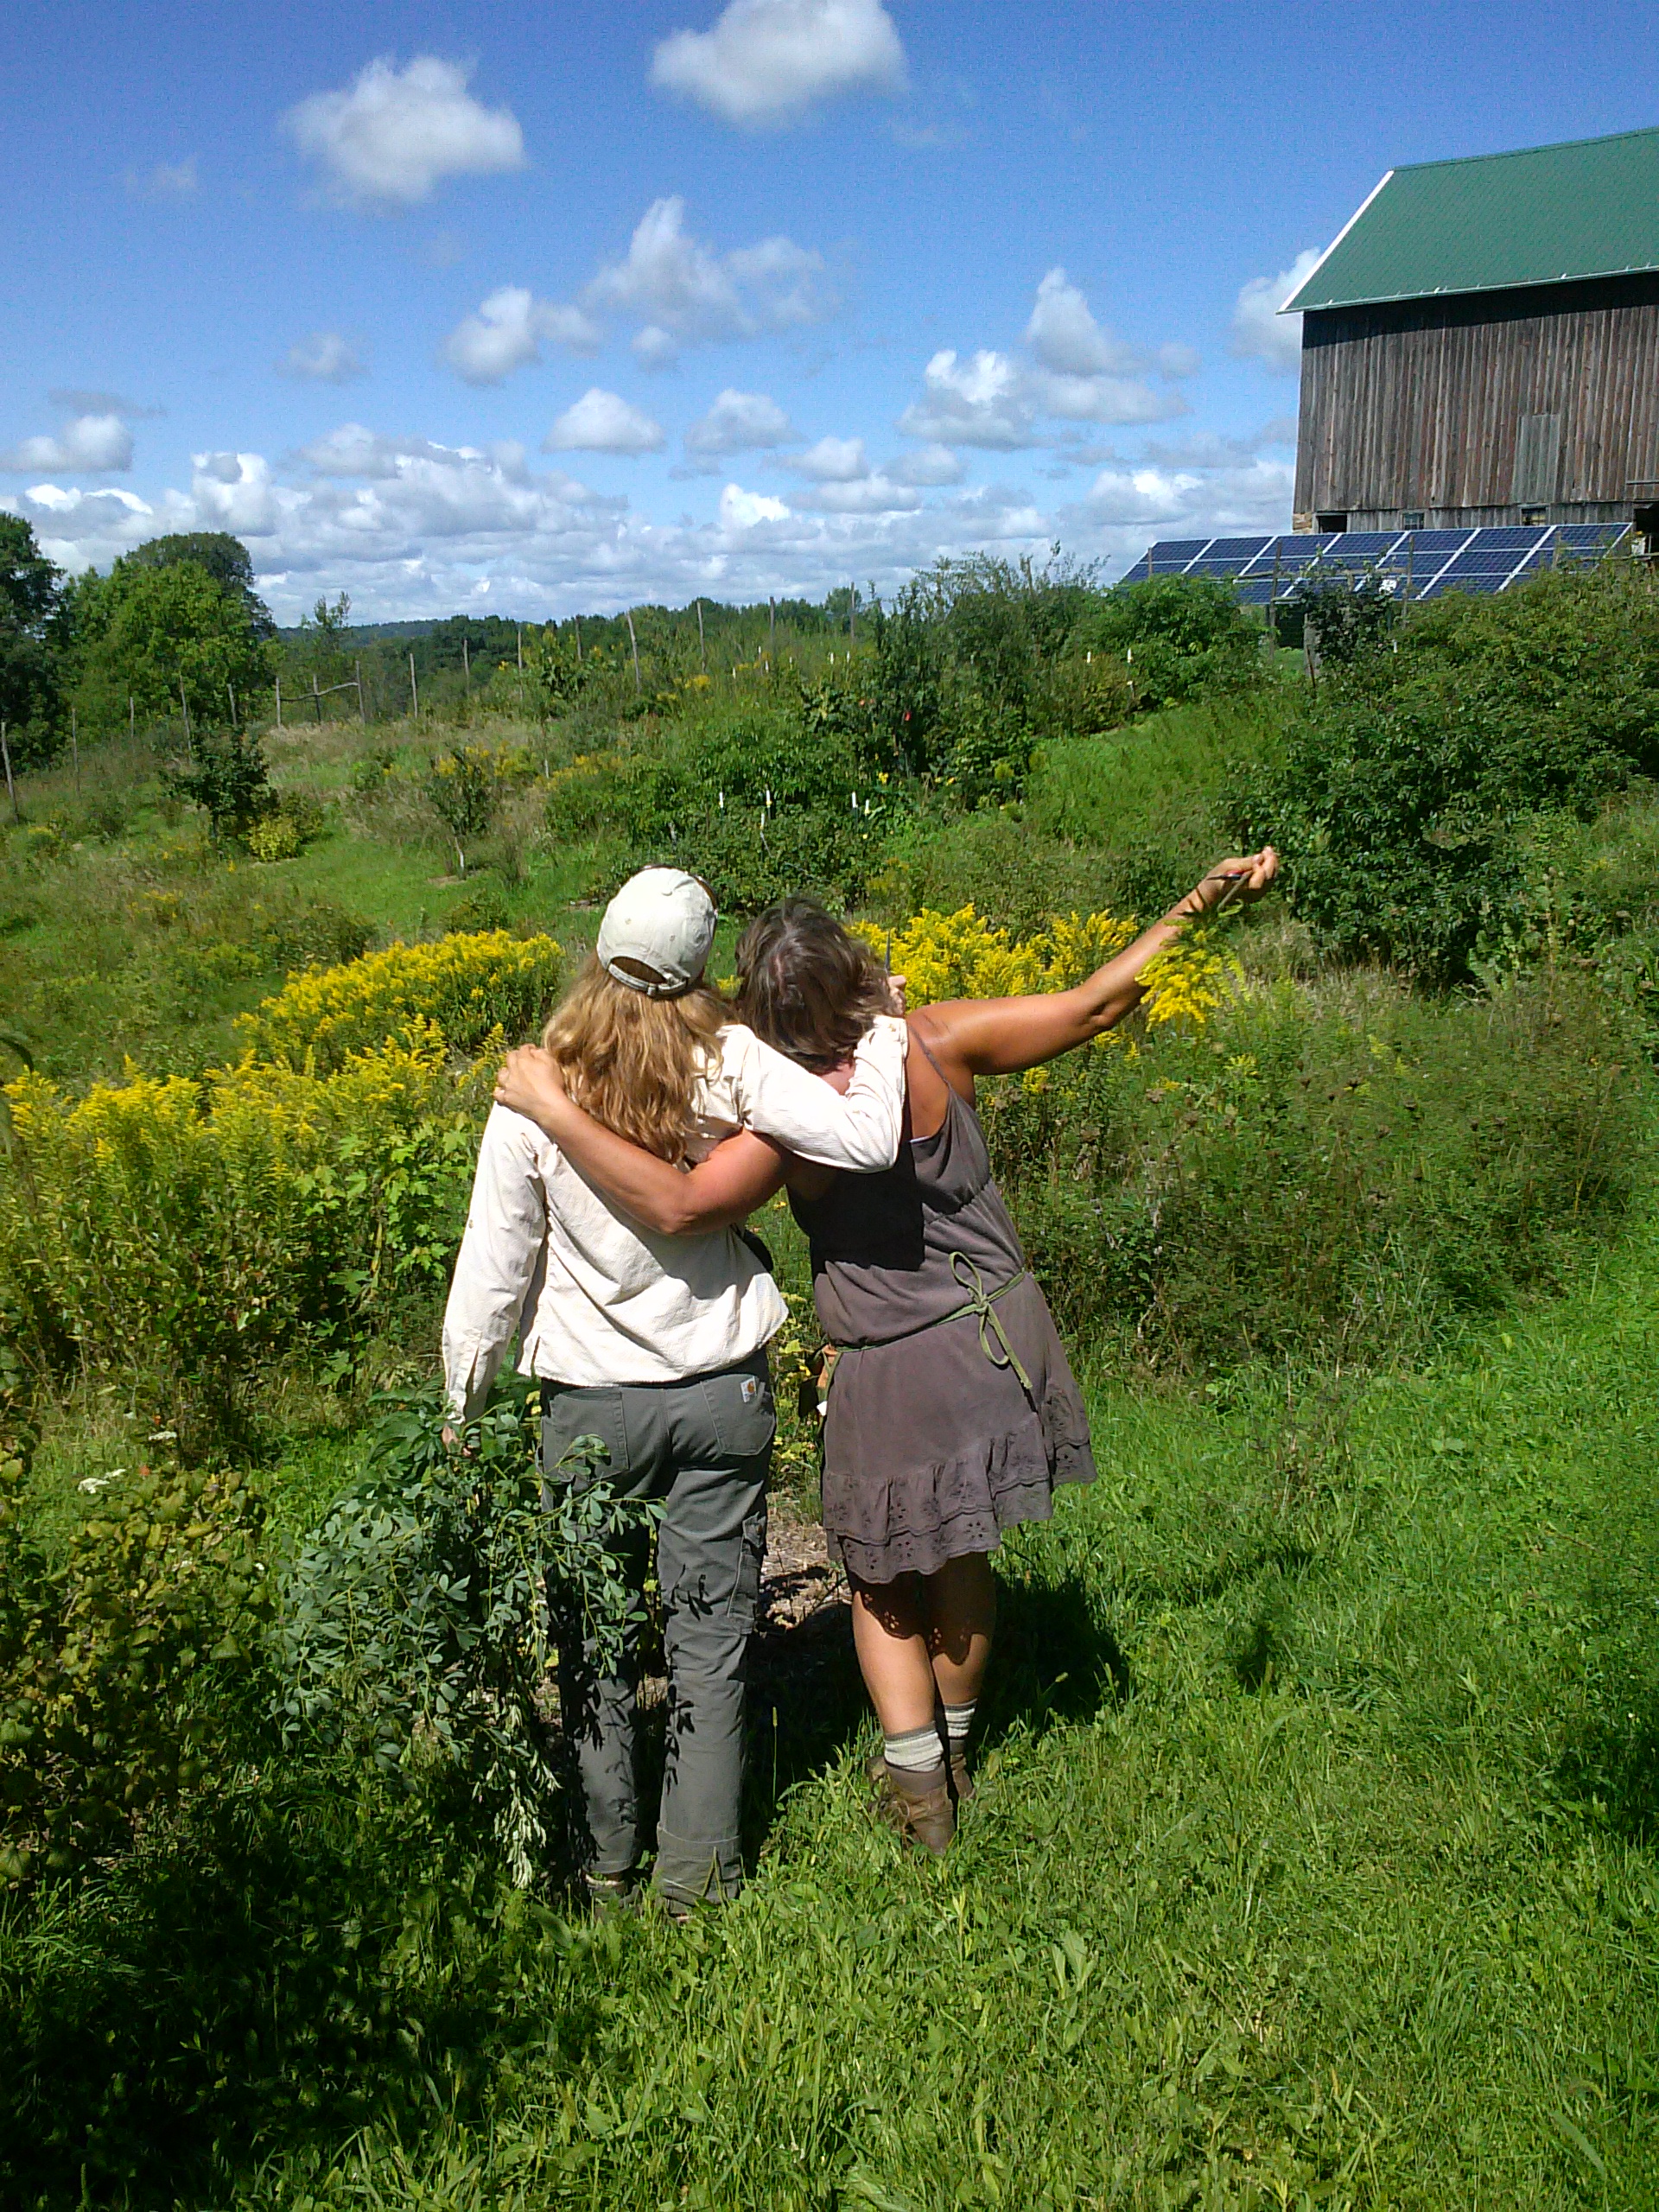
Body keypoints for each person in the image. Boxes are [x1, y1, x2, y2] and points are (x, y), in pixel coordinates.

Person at [494, 850, 1278, 1854]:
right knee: (962, 1554)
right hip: (997, 1341)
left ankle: (922, 1801)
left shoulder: (782, 1123)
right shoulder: (933, 1041)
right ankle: (955, 1750)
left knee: (876, 1579)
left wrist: (558, 1104)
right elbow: (1094, 1005)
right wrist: (1202, 905)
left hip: (887, 1368)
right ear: (858, 970)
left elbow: (682, 1199)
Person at [441, 866, 909, 1914]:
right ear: (705, 969)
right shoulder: (729, 1056)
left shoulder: (539, 1086)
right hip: (717, 1391)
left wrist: (459, 1419)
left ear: (597, 952)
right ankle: (698, 1881)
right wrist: (881, 1031)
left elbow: (493, 1276)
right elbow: (869, 1139)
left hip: (590, 1408)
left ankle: (607, 1867)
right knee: (710, 1641)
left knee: (597, 1642)